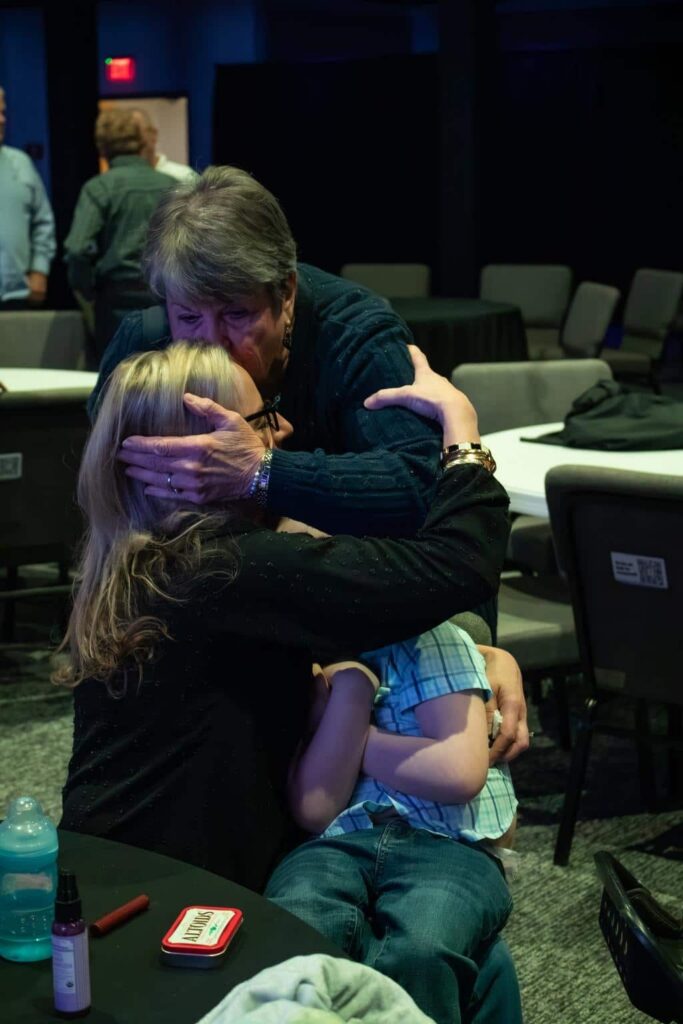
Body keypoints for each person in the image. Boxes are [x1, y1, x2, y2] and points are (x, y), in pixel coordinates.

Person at [89, 165, 529, 761]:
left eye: (237, 315)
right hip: (225, 601)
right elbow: (107, 504)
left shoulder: (355, 335)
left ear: (287, 293)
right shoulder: (144, 343)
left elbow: (425, 489)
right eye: (188, 317)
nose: (211, 344)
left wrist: (264, 473)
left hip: (361, 588)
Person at [265, 628, 519, 1024]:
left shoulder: (435, 645)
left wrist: (350, 738)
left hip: (449, 843)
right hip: (340, 840)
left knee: (423, 947)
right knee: (299, 922)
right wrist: (352, 691)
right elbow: (314, 809)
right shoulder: (317, 669)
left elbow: (460, 772)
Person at [63, 109, 175, 366]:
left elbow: (77, 249)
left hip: (115, 305)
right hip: (167, 300)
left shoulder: (99, 188)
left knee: (116, 377)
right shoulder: (172, 185)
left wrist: (87, 290)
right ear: (142, 141)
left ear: (102, 147)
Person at [0, 85, 55, 309]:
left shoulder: (21, 163)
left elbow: (43, 221)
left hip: (16, 295)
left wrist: (39, 270)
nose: (2, 120)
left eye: (3, 112)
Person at [130, 107, 197, 182]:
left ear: (153, 134)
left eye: (136, 132)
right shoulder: (120, 178)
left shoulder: (183, 176)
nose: (130, 142)